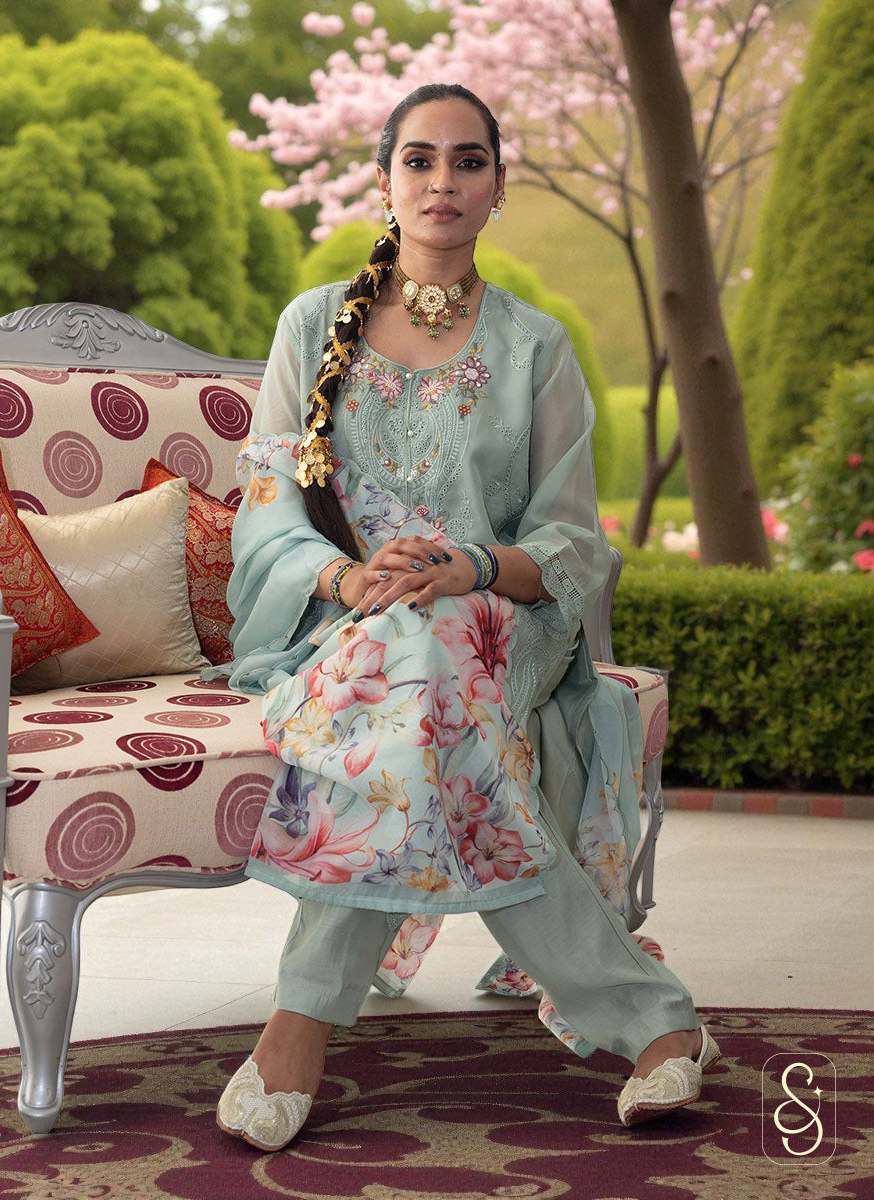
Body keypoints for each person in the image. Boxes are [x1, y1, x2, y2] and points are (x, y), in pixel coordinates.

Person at [207, 83, 721, 1153]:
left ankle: (299, 1022)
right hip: (342, 629)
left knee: (431, 645)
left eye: (468, 161)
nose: (443, 181)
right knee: (415, 666)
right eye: (421, 160)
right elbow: (264, 508)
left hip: (501, 627)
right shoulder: (314, 326)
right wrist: (353, 581)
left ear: (499, 185)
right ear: (387, 179)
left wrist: (471, 564)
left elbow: (574, 544)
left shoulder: (537, 348)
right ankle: (652, 1021)